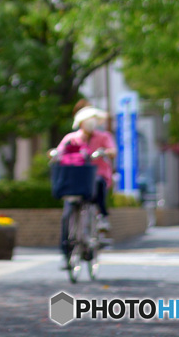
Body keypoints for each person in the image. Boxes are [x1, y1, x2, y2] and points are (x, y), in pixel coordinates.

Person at [55, 107, 114, 258]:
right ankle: (66, 250)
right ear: (80, 123)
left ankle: (102, 218)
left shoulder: (103, 137)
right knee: (67, 212)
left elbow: (112, 151)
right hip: (75, 177)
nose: (91, 122)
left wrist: (105, 152)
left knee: (99, 183)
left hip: (96, 174)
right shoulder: (71, 138)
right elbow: (60, 151)